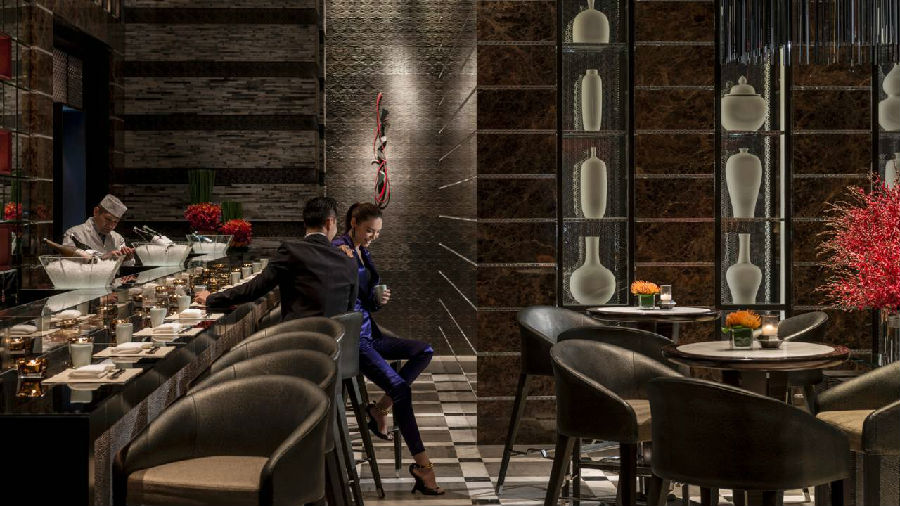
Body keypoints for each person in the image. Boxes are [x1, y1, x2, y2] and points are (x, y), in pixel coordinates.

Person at [333, 202, 443, 495]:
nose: (374, 236)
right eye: (369, 230)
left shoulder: (362, 252)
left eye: (378, 232)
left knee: (424, 350)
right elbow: (337, 295)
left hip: (371, 334)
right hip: (354, 340)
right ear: (353, 222)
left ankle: (380, 408)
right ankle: (423, 466)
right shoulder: (339, 249)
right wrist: (342, 259)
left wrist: (377, 301)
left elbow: (363, 299)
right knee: (401, 389)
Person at [194, 197, 358, 320]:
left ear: (305, 223)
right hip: (337, 344)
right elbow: (350, 308)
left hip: (297, 343)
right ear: (330, 223)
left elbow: (255, 289)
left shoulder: (291, 251)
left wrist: (212, 298)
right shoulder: (348, 259)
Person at [63, 194, 135, 265]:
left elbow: (129, 265)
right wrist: (102, 259)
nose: (111, 226)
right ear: (96, 212)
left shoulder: (118, 238)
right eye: (108, 219)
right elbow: (69, 264)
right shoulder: (74, 234)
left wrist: (126, 259)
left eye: (115, 222)